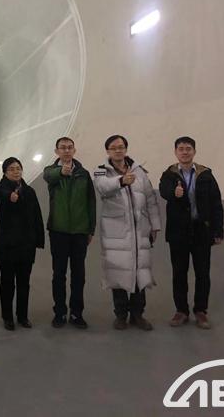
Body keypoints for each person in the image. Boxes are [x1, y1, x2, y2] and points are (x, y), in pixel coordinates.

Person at [93, 135, 161, 331]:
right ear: (107, 151)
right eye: (114, 147)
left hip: (140, 229)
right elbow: (102, 188)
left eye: (121, 147)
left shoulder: (139, 171)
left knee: (140, 271)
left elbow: (150, 199)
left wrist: (155, 224)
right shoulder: (101, 171)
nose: (118, 150)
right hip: (115, 231)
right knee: (118, 273)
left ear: (126, 149)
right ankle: (121, 315)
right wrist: (121, 181)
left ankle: (138, 314)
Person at [158, 136, 224, 329]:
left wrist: (218, 230)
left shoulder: (206, 174)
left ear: (194, 151)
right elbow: (163, 191)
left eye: (188, 148)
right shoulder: (169, 174)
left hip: (201, 231)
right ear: (175, 152)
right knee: (179, 272)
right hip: (178, 232)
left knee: (203, 273)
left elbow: (216, 203)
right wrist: (174, 193)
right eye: (181, 149)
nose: (185, 152)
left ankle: (201, 311)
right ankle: (181, 311)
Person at [43, 137, 96, 330]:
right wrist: (61, 172)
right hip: (58, 230)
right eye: (63, 148)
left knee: (79, 274)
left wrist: (90, 228)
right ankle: (59, 312)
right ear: (56, 151)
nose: (66, 151)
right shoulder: (51, 171)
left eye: (69, 147)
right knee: (59, 273)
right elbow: (49, 176)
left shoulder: (83, 174)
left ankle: (76, 313)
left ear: (74, 150)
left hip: (80, 231)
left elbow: (91, 202)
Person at [0, 157, 44, 330]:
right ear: (5, 172)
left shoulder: (29, 191)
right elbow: (1, 196)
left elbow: (37, 216)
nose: (16, 172)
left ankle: (23, 316)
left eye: (18, 168)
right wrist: (10, 197)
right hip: (7, 246)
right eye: (12, 169)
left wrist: (39, 239)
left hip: (26, 245)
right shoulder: (0, 190)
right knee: (7, 283)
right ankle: (7, 317)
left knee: (24, 282)